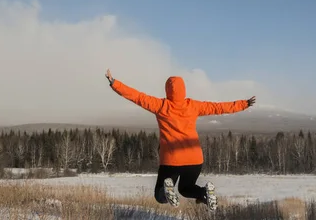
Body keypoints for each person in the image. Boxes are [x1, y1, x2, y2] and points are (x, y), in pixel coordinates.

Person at [105, 69, 256, 211]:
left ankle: (166, 191)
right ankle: (204, 193)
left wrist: (114, 82)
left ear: (167, 90)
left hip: (172, 159)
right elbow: (219, 107)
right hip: (195, 159)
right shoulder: (193, 106)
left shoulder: (161, 106)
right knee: (185, 189)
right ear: (184, 90)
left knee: (159, 195)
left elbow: (137, 96)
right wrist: (244, 104)